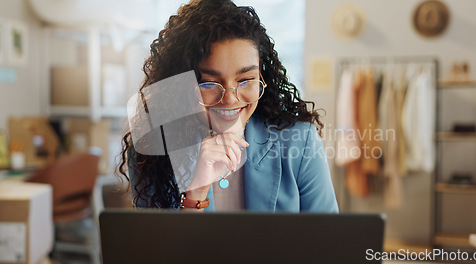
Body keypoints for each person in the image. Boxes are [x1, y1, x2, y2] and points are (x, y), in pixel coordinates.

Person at [118, 0, 338, 213]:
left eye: (246, 79)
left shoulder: (300, 142)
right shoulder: (150, 149)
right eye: (209, 83)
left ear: (262, 77)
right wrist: (196, 192)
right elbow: (158, 251)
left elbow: (329, 243)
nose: (230, 99)